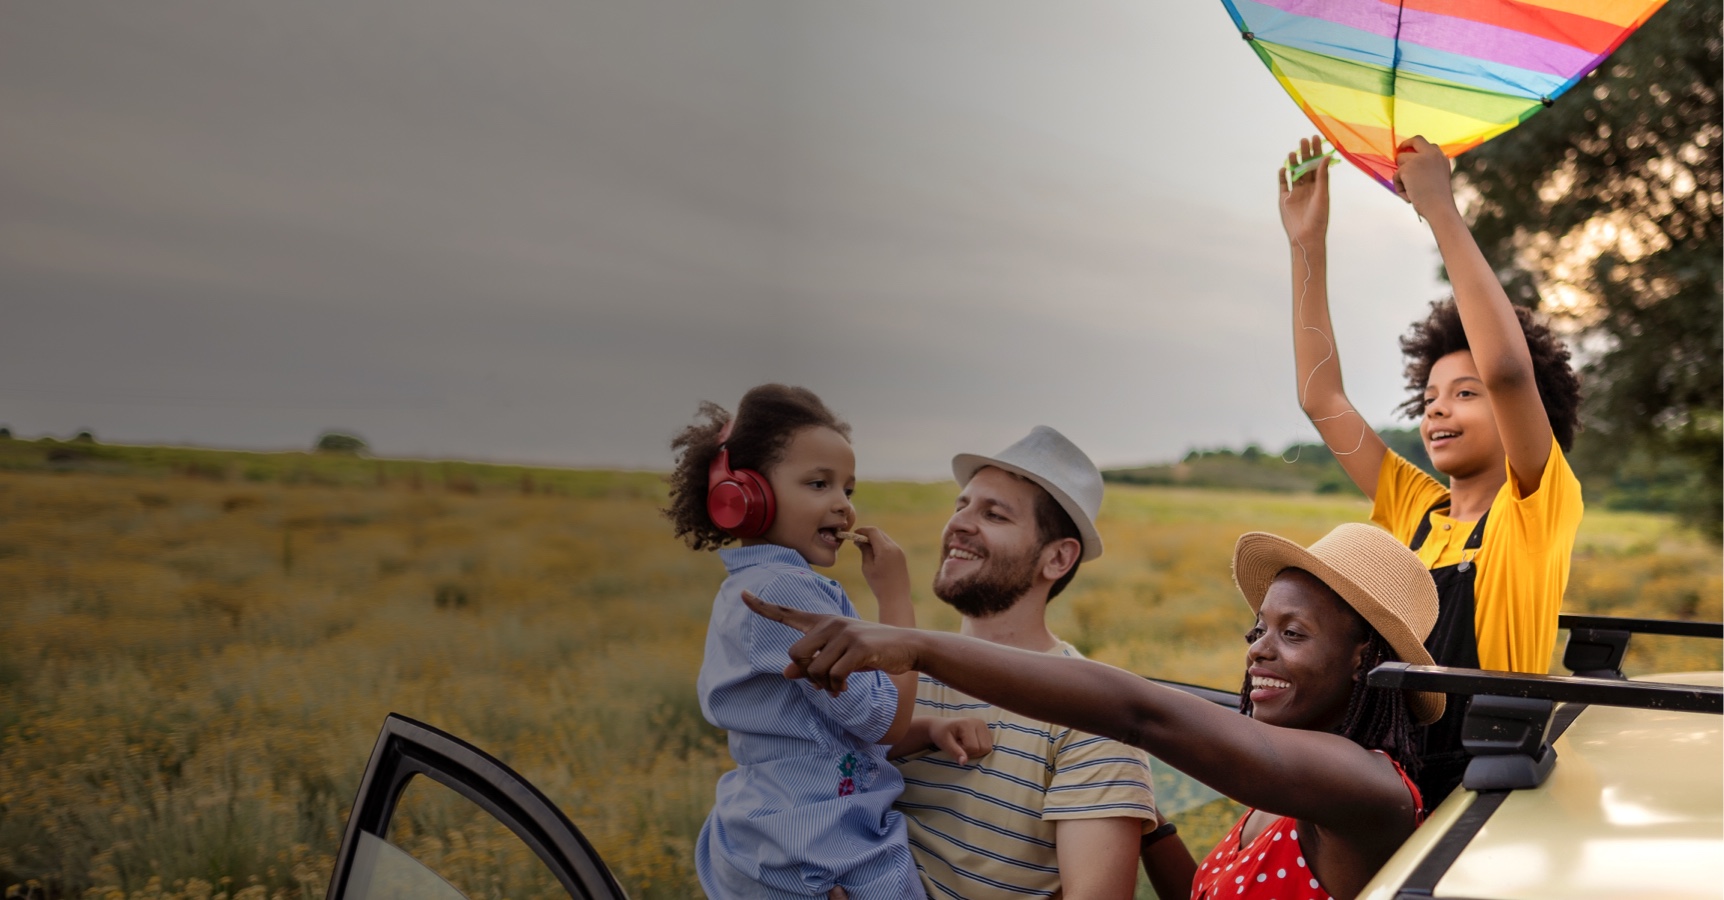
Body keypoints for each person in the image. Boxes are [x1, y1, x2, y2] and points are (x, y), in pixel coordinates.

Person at [745, 522, 1444, 900]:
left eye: (1293, 635)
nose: (1258, 651)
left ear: (1363, 659)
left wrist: (914, 647)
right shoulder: (1287, 793)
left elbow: (1144, 714)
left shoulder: (1368, 792)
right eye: (1258, 629)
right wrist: (1148, 824)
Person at [1278, 135, 1584, 804]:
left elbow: (1507, 367)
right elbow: (1320, 399)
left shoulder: (1535, 503)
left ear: (1520, 409)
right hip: (1387, 778)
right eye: (1430, 397)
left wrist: (1441, 208)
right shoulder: (1413, 506)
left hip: (1481, 789)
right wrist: (1307, 243)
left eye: (1465, 393)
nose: (1439, 409)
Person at [665, 384, 989, 900]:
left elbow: (830, 730)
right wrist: (895, 602)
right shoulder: (784, 593)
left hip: (774, 833)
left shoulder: (756, 584)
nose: (843, 506)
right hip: (820, 850)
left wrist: (930, 728)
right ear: (747, 496)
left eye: (849, 490)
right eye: (819, 484)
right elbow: (885, 721)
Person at [886, 426, 1195, 900]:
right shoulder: (897, 679)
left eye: (994, 514)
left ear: (1057, 558)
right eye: (961, 505)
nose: (960, 524)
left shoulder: (1091, 715)